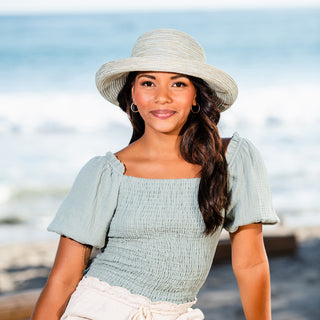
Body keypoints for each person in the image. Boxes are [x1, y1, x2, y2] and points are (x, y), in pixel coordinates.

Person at [31, 29, 279, 320]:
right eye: (148, 83)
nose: (162, 97)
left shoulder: (232, 159)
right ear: (133, 96)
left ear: (196, 95)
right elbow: (63, 278)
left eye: (178, 83)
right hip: (97, 310)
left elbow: (251, 264)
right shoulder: (106, 173)